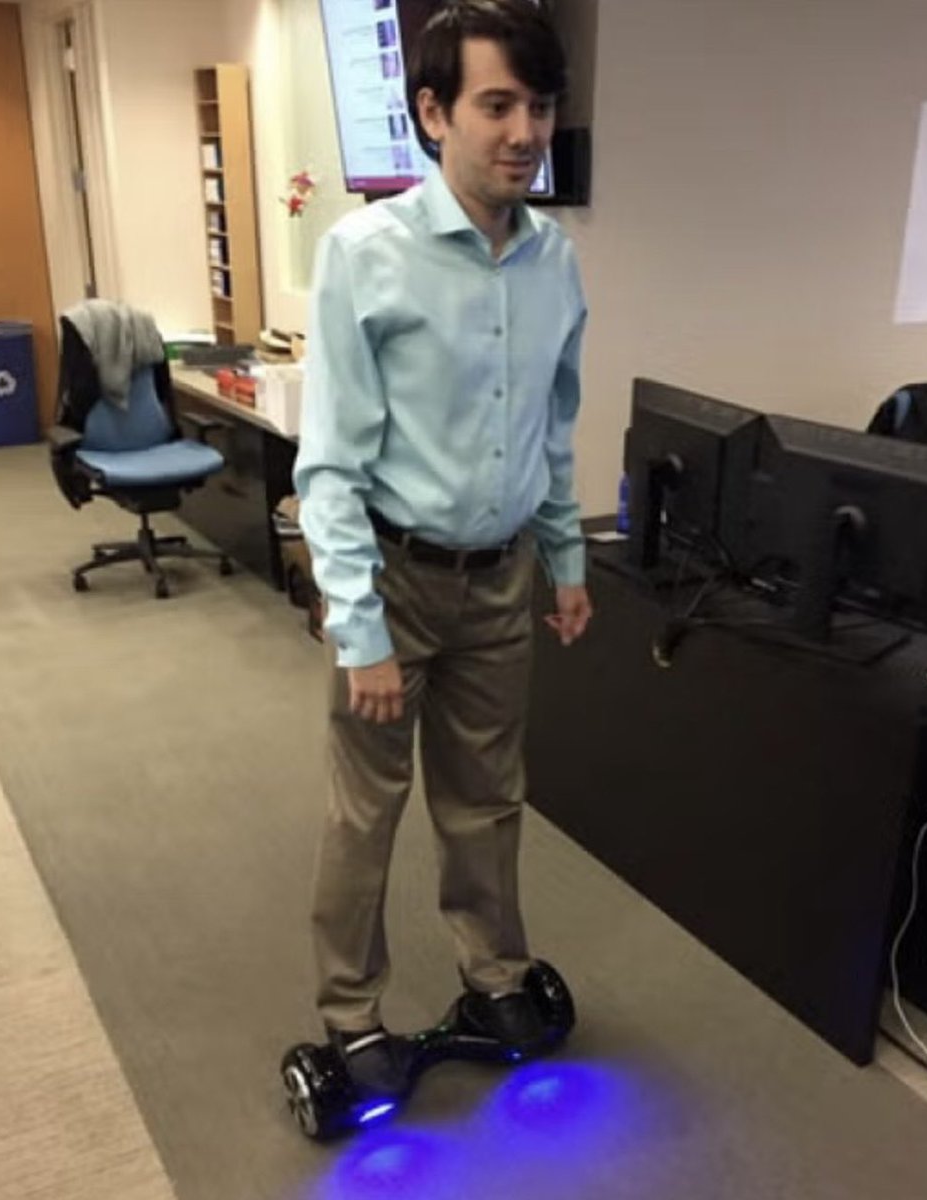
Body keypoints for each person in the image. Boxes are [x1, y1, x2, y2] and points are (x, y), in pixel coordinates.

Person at [293, 0, 591, 1098]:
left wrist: (564, 558)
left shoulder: (554, 261)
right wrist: (359, 629)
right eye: (495, 105)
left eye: (538, 106)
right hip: (394, 581)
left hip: (501, 580)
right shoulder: (365, 254)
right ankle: (349, 1014)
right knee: (364, 812)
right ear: (433, 113)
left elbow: (551, 425)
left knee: (486, 800)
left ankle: (492, 972)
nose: (523, 132)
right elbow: (328, 464)